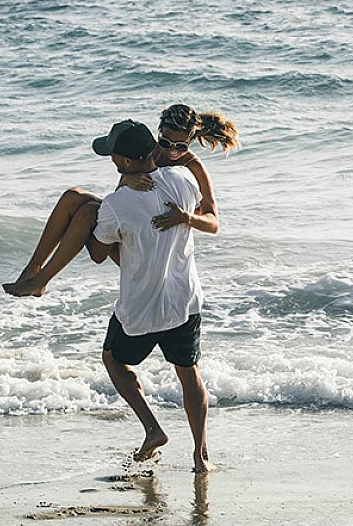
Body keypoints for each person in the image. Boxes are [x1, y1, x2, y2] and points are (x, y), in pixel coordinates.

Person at [81, 119, 213, 473]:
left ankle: (153, 429)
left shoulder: (115, 203)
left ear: (123, 162)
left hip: (140, 308)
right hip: (183, 302)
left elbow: (97, 252)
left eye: (113, 156)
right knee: (189, 374)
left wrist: (92, 214)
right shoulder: (185, 181)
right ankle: (201, 458)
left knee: (113, 359)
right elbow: (205, 216)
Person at [2, 104, 238, 297]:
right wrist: (127, 180)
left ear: (191, 140)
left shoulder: (193, 167)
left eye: (181, 146)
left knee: (86, 212)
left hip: (153, 250)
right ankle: (33, 271)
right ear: (158, 135)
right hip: (132, 230)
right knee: (72, 197)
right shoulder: (148, 152)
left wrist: (186, 217)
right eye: (166, 143)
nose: (171, 152)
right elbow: (120, 199)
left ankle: (41, 280)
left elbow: (213, 223)